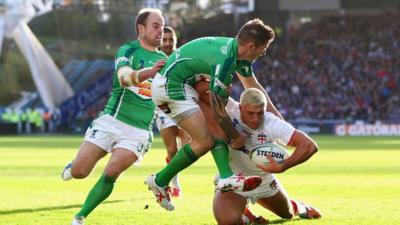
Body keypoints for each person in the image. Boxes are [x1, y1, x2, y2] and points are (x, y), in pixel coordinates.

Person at [146, 18, 282, 211]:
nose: (264, 52)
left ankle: (227, 178)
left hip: (187, 84)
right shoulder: (224, 62)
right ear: (252, 46)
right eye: (264, 47)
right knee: (205, 141)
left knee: (218, 131)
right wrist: (237, 138)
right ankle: (159, 180)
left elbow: (253, 86)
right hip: (170, 87)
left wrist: (276, 118)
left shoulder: (236, 55)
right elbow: (219, 113)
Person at [61, 8, 166, 225]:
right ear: (141, 28)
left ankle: (79, 217)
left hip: (138, 132)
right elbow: (124, 78)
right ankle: (74, 166)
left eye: (162, 28)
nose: (160, 32)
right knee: (81, 172)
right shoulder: (128, 50)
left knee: (111, 173)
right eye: (156, 26)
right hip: (112, 120)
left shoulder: (165, 60)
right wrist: (149, 72)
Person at [211, 88, 321, 225]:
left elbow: (309, 145)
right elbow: (204, 95)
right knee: (229, 221)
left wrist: (283, 166)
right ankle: (248, 217)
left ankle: (299, 207)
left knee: (287, 214)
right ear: (240, 108)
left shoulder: (271, 123)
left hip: (263, 180)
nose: (256, 118)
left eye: (260, 113)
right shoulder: (227, 112)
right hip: (233, 181)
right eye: (250, 113)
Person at [155, 26, 189, 197]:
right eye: (165, 39)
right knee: (171, 150)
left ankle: (170, 179)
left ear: (176, 40)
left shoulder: (183, 56)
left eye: (171, 39)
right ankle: (174, 184)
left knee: (186, 148)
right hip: (163, 110)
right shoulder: (155, 60)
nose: (167, 43)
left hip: (184, 107)